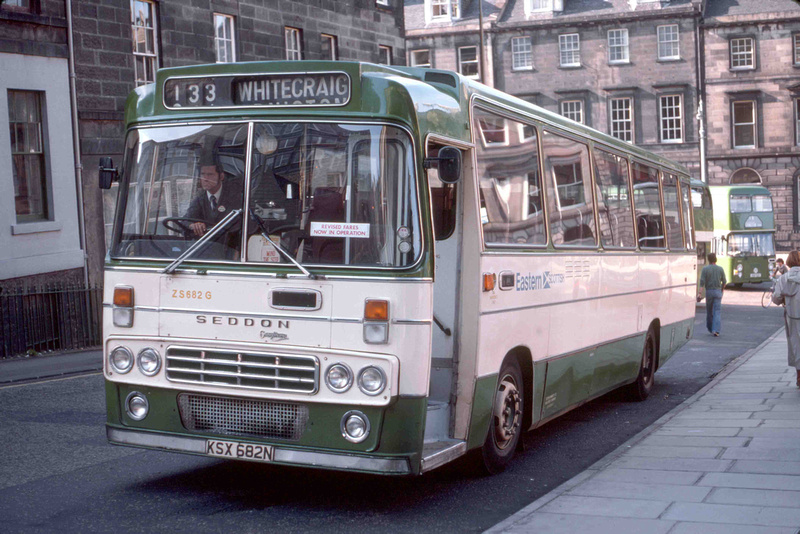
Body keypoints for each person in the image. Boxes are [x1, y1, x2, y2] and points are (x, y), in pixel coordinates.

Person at [184, 161, 243, 237]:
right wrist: (193, 225)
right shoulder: (200, 198)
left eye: (210, 175)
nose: (205, 179)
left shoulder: (234, 196)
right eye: (203, 174)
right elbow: (185, 220)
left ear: (221, 176)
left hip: (231, 245)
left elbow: (240, 224)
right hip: (204, 245)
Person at [771, 250, 800, 388]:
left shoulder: (783, 279)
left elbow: (776, 299)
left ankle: (799, 376)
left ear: (788, 262)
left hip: (792, 316)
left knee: (795, 345)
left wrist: (782, 298)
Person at [699, 252, 726, 337]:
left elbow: (702, 282)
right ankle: (716, 330)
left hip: (709, 292)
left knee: (709, 311)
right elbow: (724, 281)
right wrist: (722, 290)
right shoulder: (720, 269)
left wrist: (699, 293)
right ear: (715, 259)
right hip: (718, 291)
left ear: (708, 260)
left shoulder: (705, 269)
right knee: (717, 311)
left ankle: (710, 328)